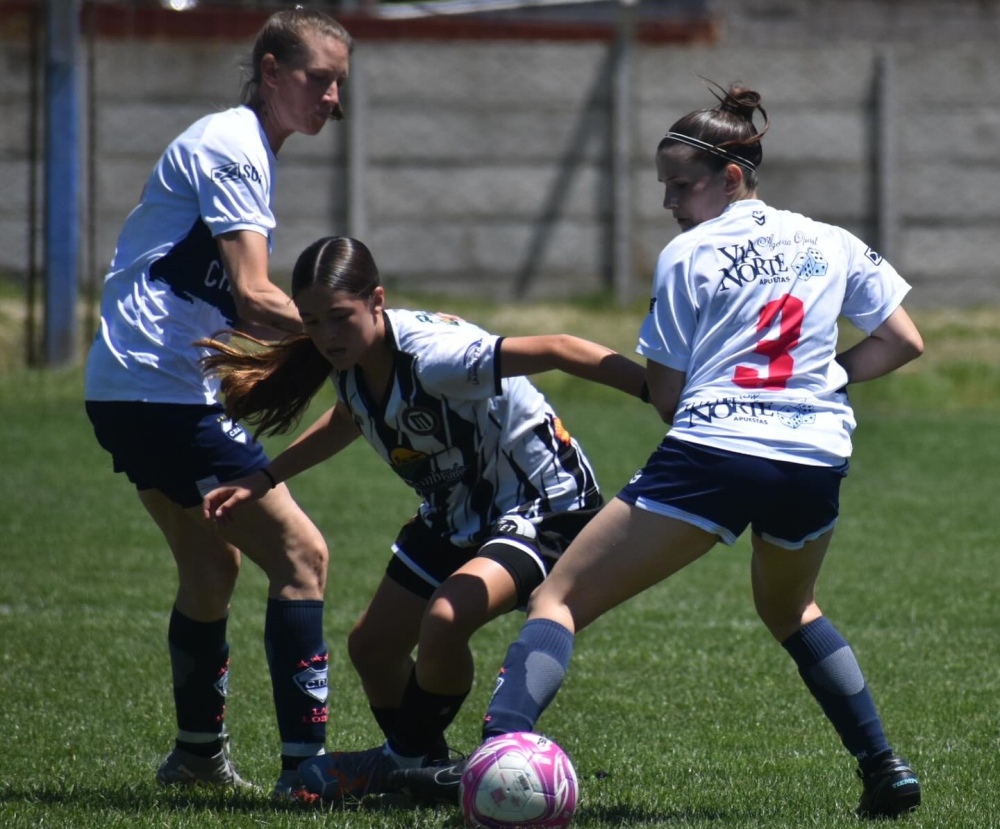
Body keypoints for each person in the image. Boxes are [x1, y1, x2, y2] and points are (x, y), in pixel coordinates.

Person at [400, 82, 925, 819]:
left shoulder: (689, 254)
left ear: (731, 178)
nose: (670, 202)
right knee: (793, 607)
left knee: (557, 598)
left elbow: (670, 397)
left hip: (717, 448)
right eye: (666, 186)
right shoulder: (831, 240)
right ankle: (884, 764)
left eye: (682, 185)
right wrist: (826, 378)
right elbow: (905, 340)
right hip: (815, 456)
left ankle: (495, 756)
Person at [197, 235, 649, 803]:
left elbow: (560, 347)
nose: (327, 336)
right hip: (455, 512)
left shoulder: (436, 359)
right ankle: (429, 769)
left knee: (445, 616)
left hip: (543, 505)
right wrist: (264, 477)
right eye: (312, 322)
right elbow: (349, 419)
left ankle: (403, 762)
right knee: (372, 648)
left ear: (377, 301)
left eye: (340, 318)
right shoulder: (352, 357)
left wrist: (656, 392)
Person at [83, 8, 353, 796]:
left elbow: (230, 306)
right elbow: (254, 292)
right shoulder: (233, 145)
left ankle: (197, 758)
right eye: (318, 79)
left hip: (128, 387)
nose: (333, 97)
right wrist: (366, 339)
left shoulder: (245, 147)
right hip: (162, 391)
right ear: (270, 70)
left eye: (340, 83)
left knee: (210, 564)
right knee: (303, 557)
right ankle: (307, 772)